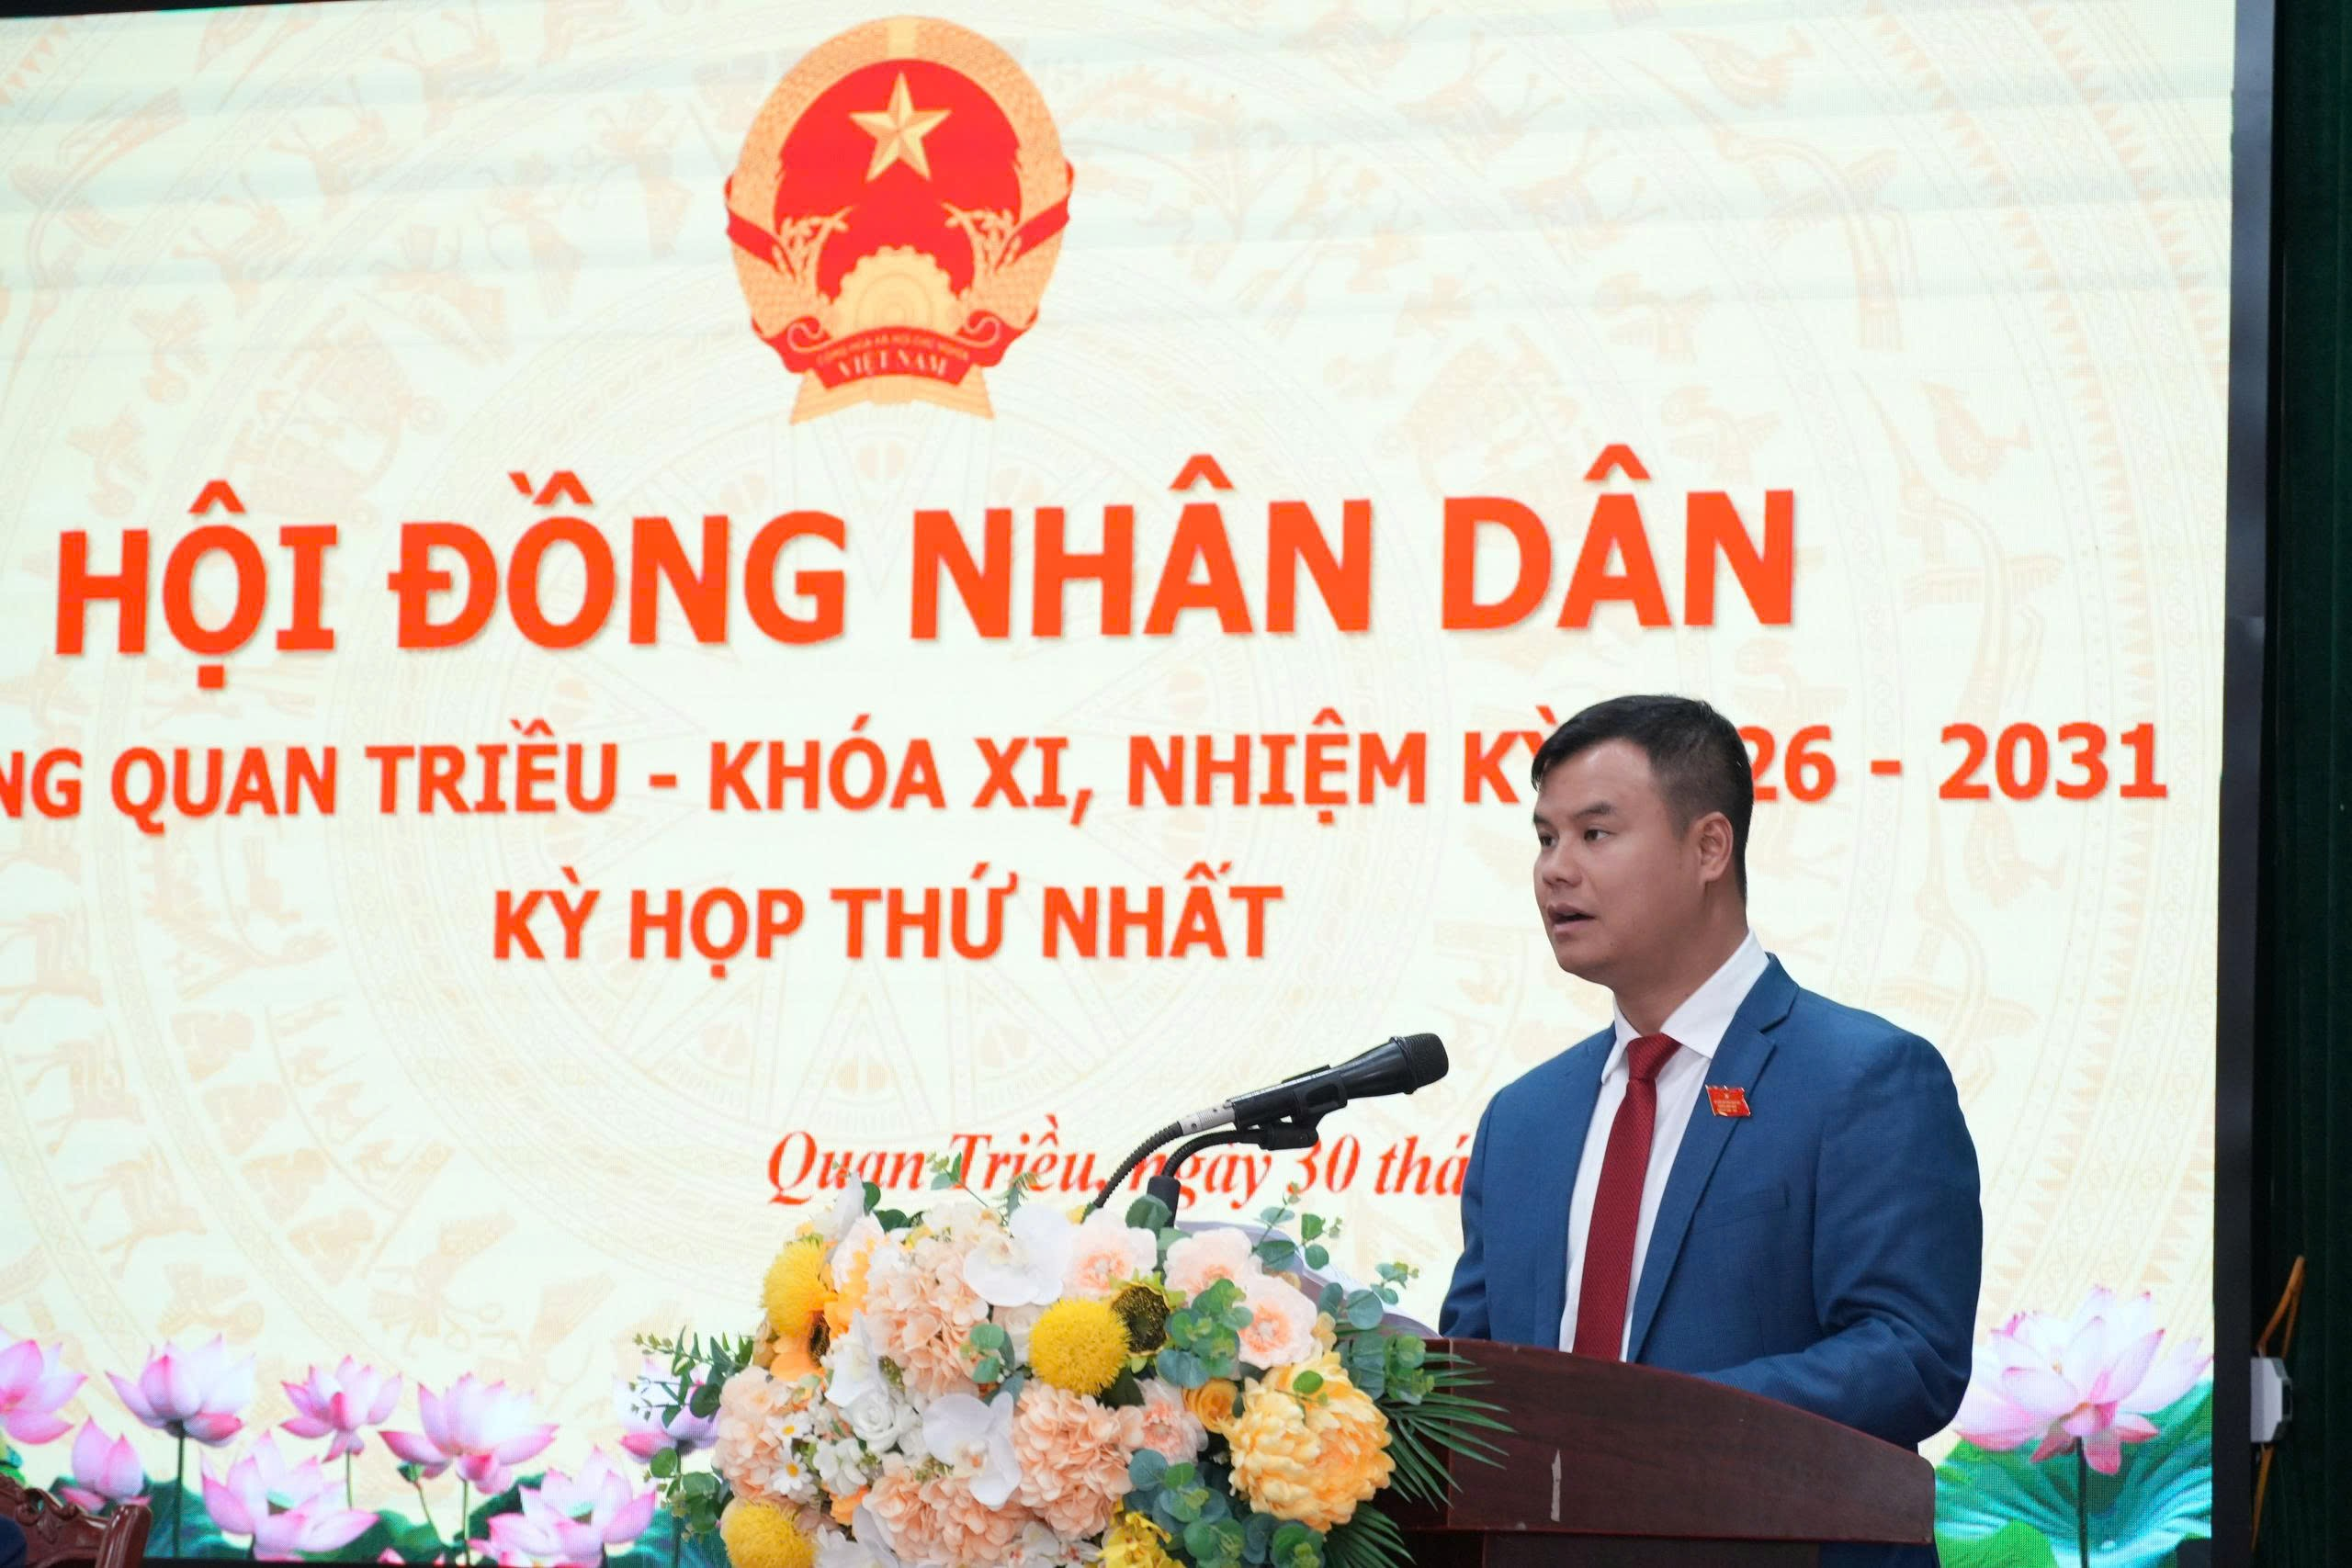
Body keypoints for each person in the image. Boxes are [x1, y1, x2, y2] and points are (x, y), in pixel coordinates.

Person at [1439, 695, 1980, 1568]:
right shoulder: (1525, 1118)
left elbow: (1911, 1356)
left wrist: (1643, 1425)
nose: (1555, 871)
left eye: (1595, 834)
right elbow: (1472, 1382)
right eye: (1545, 838)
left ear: (1709, 848)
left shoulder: (1863, 1077)